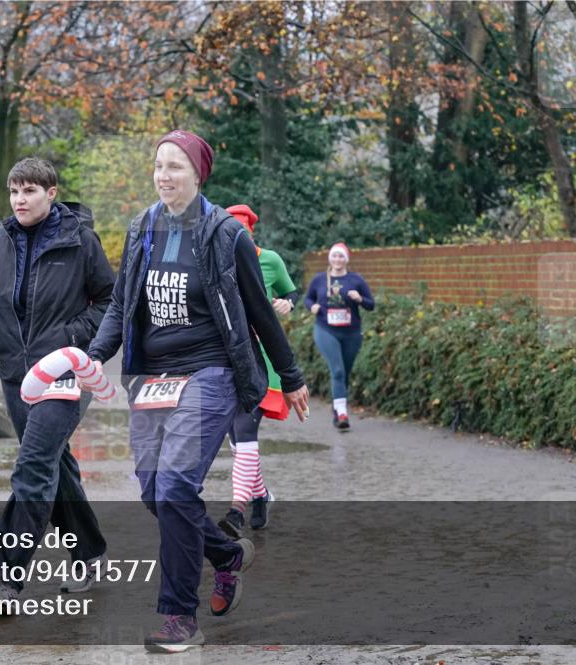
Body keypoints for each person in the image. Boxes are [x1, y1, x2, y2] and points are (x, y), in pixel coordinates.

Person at [86, 130, 309, 653]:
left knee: (175, 488)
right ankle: (227, 555)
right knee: (153, 492)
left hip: (210, 371)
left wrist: (292, 376)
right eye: (159, 166)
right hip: (152, 376)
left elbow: (259, 310)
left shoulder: (225, 234)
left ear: (198, 174)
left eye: (176, 167)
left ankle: (177, 618)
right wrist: (94, 355)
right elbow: (121, 305)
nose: (165, 176)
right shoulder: (141, 226)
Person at [0, 157, 116, 605]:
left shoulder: (80, 240)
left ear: (51, 193)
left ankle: (5, 576)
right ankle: (90, 551)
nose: (20, 200)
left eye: (30, 191)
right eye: (14, 191)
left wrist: (69, 339)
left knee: (33, 467)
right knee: (54, 466)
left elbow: (109, 302)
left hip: (66, 373)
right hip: (15, 377)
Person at [218, 204, 298, 539]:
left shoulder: (271, 260)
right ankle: (261, 495)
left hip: (262, 362)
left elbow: (291, 291)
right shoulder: (212, 260)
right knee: (238, 441)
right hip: (223, 362)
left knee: (245, 429)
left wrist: (287, 303)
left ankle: (237, 509)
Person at [303, 242, 375, 429]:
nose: (337, 259)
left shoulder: (356, 280)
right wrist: (313, 307)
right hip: (326, 329)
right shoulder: (319, 279)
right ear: (330, 258)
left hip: (351, 332)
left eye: (341, 256)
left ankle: (337, 407)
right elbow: (307, 298)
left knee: (344, 373)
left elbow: (371, 304)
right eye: (334, 256)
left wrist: (360, 299)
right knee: (338, 371)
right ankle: (342, 414)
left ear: (346, 259)